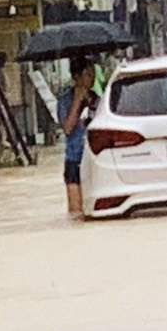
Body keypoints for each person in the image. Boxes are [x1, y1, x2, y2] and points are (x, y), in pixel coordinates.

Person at [60, 59, 99, 219]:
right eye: (88, 75)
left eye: (93, 74)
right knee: (75, 212)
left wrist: (90, 103)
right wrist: (77, 100)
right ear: (77, 77)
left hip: (94, 157)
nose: (92, 79)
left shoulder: (98, 99)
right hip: (74, 157)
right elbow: (68, 128)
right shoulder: (64, 100)